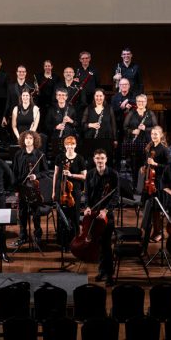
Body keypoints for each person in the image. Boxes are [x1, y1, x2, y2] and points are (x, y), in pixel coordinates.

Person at [83, 149, 118, 285]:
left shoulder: (113, 174)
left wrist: (106, 210)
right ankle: (102, 271)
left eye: (102, 158)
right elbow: (87, 194)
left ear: (106, 159)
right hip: (94, 213)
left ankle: (109, 275)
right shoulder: (90, 174)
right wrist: (87, 206)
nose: (100, 161)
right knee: (98, 243)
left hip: (107, 215)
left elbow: (115, 196)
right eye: (97, 158)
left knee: (106, 244)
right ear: (94, 160)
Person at [13, 130, 48, 247]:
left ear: (34, 140)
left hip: (34, 188)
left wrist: (36, 176)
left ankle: (38, 236)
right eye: (26, 138)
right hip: (22, 187)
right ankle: (23, 237)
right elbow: (15, 173)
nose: (28, 140)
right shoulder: (18, 155)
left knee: (36, 213)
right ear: (23, 140)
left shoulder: (39, 155)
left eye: (30, 138)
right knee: (22, 213)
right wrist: (16, 189)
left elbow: (46, 172)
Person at [53, 135, 85, 252]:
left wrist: (71, 175)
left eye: (72, 144)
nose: (70, 146)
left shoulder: (80, 158)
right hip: (60, 191)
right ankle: (63, 242)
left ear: (75, 145)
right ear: (65, 145)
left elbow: (84, 176)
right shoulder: (60, 157)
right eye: (67, 144)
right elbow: (55, 174)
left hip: (74, 192)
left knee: (74, 216)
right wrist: (53, 191)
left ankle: (75, 241)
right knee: (62, 217)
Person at [139, 126, 170, 243]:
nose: (154, 136)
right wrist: (144, 167)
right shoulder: (149, 147)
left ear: (161, 135)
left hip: (158, 183)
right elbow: (146, 161)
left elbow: (168, 167)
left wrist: (156, 164)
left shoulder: (164, 149)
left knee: (157, 210)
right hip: (149, 182)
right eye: (152, 134)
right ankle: (149, 230)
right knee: (148, 208)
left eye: (156, 134)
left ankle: (159, 232)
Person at [122, 93, 157, 173]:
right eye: (138, 101)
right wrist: (132, 131)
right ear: (136, 102)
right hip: (134, 143)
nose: (140, 103)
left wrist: (145, 128)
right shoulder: (131, 113)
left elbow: (155, 128)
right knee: (134, 166)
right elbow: (125, 127)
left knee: (146, 166)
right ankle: (135, 180)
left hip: (147, 143)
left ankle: (145, 181)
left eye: (142, 101)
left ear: (146, 102)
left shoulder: (150, 113)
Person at [83, 89, 117, 161]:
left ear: (104, 97)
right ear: (94, 96)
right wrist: (91, 125)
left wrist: (115, 139)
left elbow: (113, 125)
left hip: (106, 139)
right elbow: (83, 124)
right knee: (92, 160)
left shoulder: (109, 108)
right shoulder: (88, 108)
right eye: (97, 96)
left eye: (100, 96)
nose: (98, 98)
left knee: (106, 159)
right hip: (92, 139)